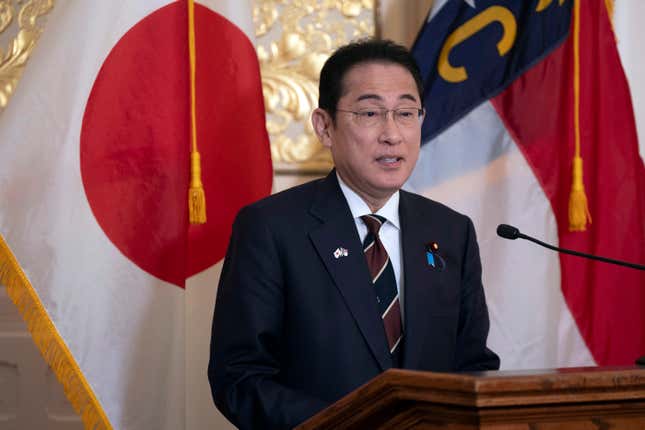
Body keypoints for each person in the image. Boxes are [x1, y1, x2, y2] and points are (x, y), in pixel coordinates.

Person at [208, 38, 500, 430]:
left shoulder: (451, 231)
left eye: (406, 113)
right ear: (324, 127)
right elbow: (239, 378)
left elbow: (473, 367)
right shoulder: (271, 228)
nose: (392, 134)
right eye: (370, 113)